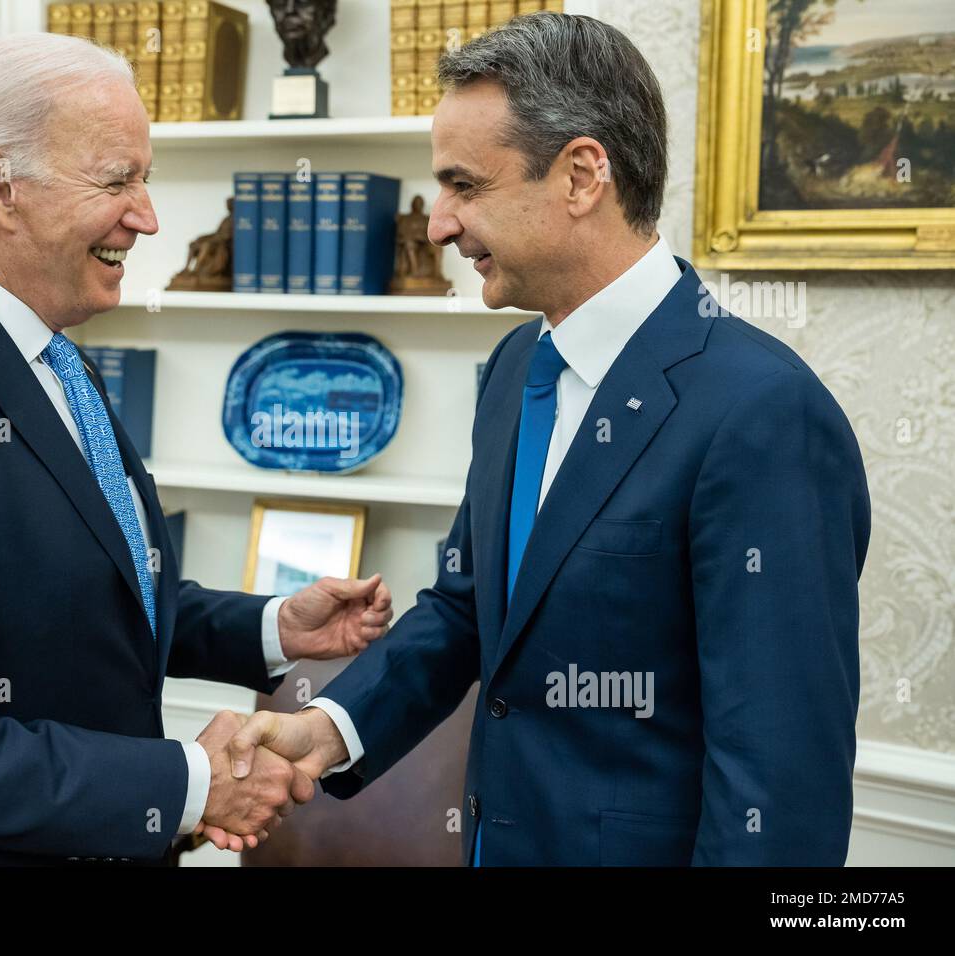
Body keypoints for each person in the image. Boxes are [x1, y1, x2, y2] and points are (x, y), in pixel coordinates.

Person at [218, 12, 871, 866]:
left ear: (581, 175)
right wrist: (327, 729)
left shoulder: (764, 414)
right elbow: (469, 607)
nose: (439, 225)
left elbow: (780, 790)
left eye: (464, 185)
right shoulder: (515, 366)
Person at [0, 33, 392, 866]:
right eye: (117, 180)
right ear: (1, 186)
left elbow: (93, 605)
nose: (147, 216)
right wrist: (190, 782)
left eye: (146, 178)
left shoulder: (56, 361)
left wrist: (275, 627)